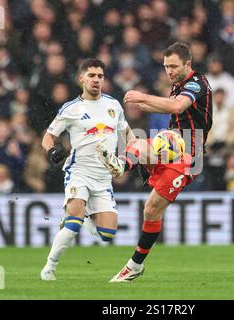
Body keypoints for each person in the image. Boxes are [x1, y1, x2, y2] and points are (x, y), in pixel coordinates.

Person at [96, 42, 212, 282]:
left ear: (187, 64)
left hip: (190, 152)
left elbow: (178, 106)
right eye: (165, 66)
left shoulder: (196, 83)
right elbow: (170, 107)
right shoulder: (177, 85)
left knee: (156, 141)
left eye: (173, 66)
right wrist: (135, 104)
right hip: (177, 148)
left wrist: (142, 97)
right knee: (150, 209)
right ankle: (135, 266)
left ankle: (122, 164)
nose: (168, 71)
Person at [39, 58, 133, 281]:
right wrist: (52, 151)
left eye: (100, 76)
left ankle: (83, 214)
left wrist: (130, 156)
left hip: (103, 177)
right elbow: (47, 137)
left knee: (107, 234)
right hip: (79, 171)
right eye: (91, 76)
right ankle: (49, 267)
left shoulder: (114, 105)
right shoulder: (71, 109)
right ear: (81, 78)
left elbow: (127, 133)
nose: (96, 80)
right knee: (74, 222)